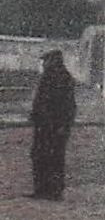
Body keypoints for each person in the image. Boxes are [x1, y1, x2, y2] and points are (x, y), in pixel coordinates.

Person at [30, 49, 77, 200]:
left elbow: (68, 106)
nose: (43, 64)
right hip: (44, 125)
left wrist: (64, 125)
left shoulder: (61, 78)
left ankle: (53, 191)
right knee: (41, 156)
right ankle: (43, 189)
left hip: (55, 126)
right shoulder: (51, 77)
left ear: (54, 61)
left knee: (54, 157)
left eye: (46, 60)